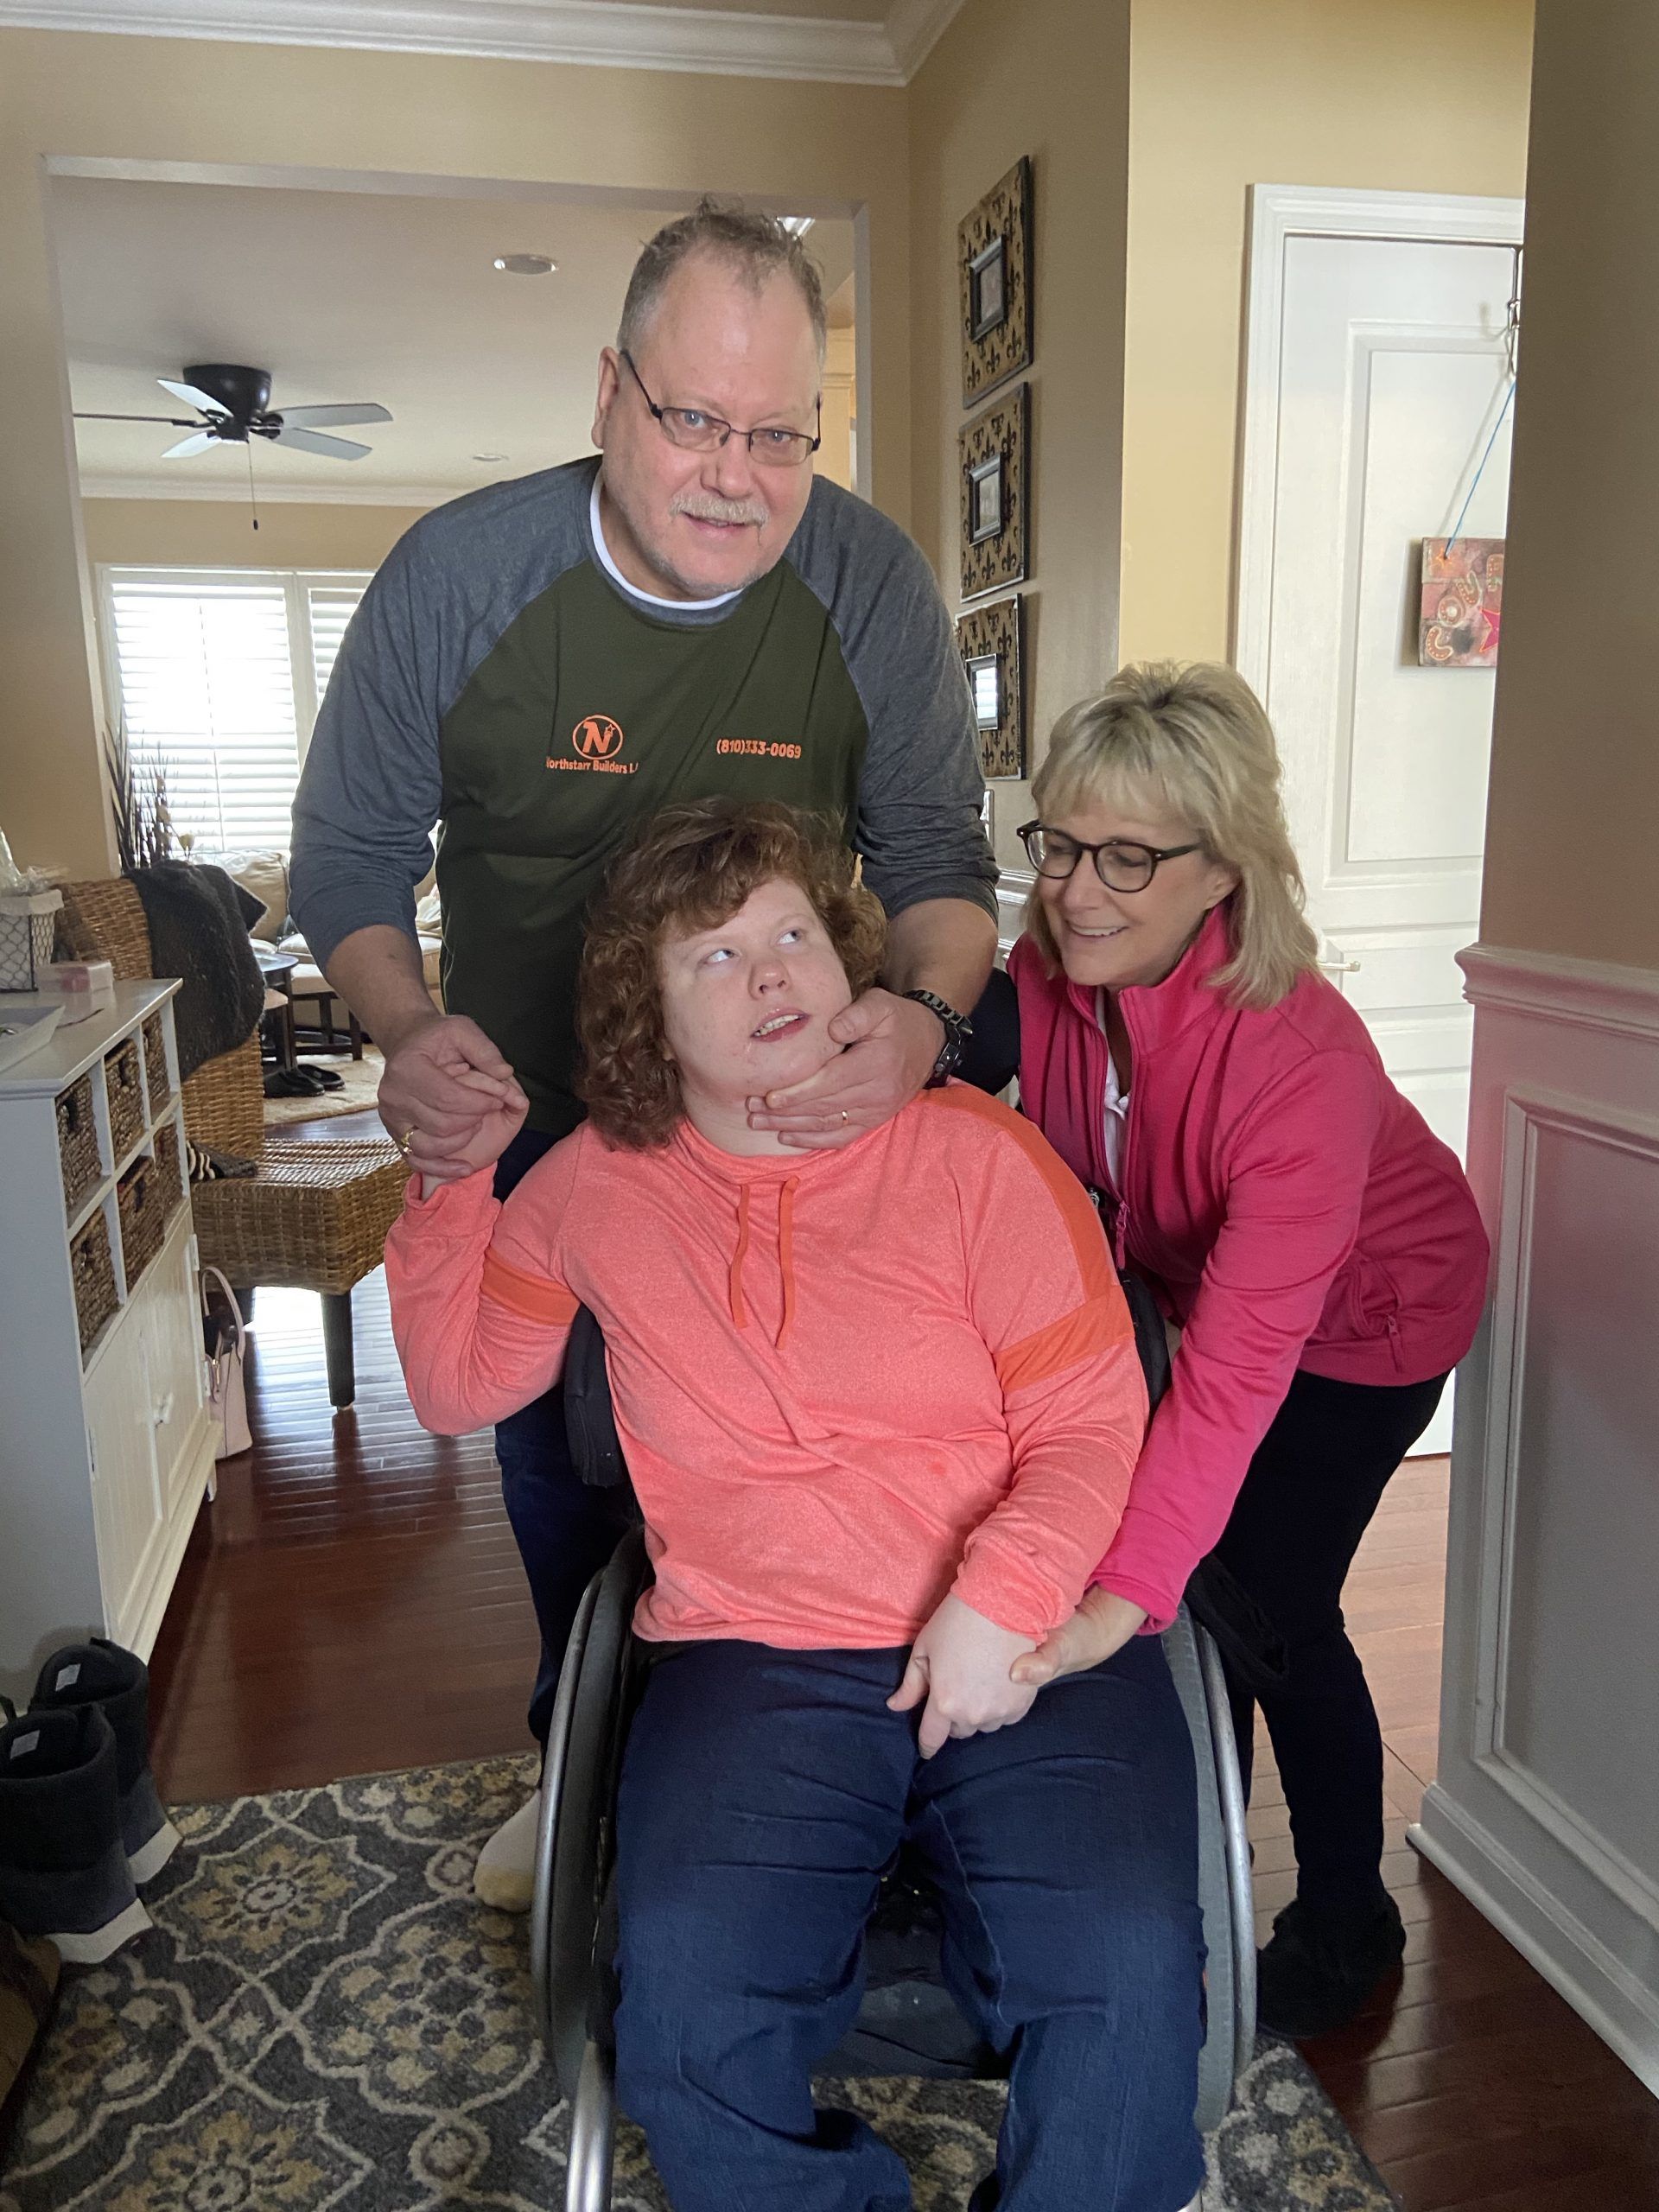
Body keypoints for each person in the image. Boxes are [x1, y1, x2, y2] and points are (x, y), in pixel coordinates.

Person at [289, 200, 999, 1905]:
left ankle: (832, 1787)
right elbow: (346, 857)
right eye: (693, 418)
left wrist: (920, 1019)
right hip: (549, 1138)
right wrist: (406, 1023)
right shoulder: (460, 579)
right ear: (610, 389)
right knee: (565, 1467)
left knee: (795, 1472)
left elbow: (944, 869)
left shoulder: (867, 581)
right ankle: (580, 1759)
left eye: (779, 434)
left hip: (797, 1136)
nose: (735, 475)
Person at [384, 800, 1203, 2212]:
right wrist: (453, 1184)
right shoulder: (590, 1191)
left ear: (847, 961)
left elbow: (1089, 1423)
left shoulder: (982, 1161)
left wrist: (999, 1600)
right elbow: (461, 1388)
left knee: (1127, 1967)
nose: (770, 974)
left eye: (792, 936)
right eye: (713, 955)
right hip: (754, 1648)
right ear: (644, 1013)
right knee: (687, 2001)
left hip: (1033, 1636)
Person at [1000, 662, 1489, 2040]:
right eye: (1060, 843)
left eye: (1127, 857)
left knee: (1264, 1604)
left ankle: (1347, 1915)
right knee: (1197, 1592)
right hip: (1196, 1291)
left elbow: (1234, 1379)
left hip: (1371, 1321)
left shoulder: (1301, 1066)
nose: (1075, 888)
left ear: (1222, 872)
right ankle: (1183, 1878)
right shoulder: (1051, 971)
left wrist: (1118, 1595)